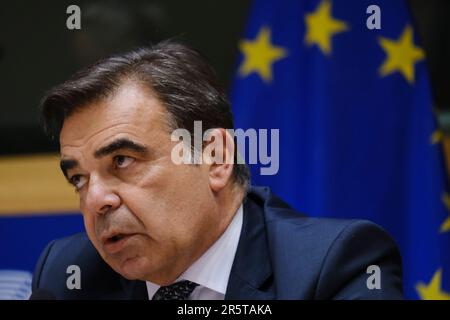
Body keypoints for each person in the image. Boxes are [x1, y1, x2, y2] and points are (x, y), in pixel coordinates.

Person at [32, 41, 403, 300]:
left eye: (123, 161)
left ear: (216, 158)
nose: (95, 200)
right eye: (78, 179)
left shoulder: (333, 268)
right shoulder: (68, 276)